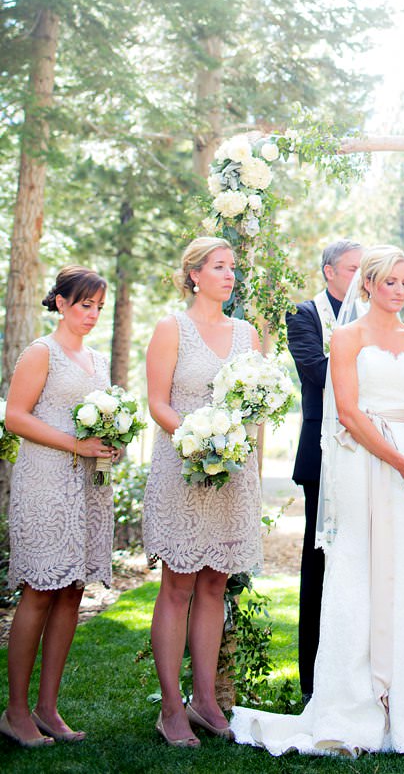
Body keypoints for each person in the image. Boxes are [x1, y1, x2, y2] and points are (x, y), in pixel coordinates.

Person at [231, 245, 404, 755]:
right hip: (366, 464)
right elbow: (348, 412)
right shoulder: (346, 337)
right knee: (361, 572)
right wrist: (403, 463)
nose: (399, 291)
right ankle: (356, 703)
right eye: (390, 282)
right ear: (367, 284)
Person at [143, 237, 263, 748]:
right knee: (179, 585)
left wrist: (236, 445)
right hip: (183, 466)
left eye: (232, 267)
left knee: (215, 583)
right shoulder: (172, 328)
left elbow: (257, 399)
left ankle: (205, 700)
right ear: (194, 275)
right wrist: (194, 439)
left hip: (235, 472)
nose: (229, 275)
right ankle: (170, 708)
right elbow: (157, 402)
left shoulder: (247, 333)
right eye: (219, 267)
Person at [2, 266, 115, 748]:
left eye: (98, 308)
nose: (91, 315)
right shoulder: (40, 352)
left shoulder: (96, 359)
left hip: (87, 485)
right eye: (84, 304)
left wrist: (112, 441)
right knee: (40, 590)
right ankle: (15, 710)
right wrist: (75, 444)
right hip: (46, 483)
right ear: (62, 302)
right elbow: (14, 416)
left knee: (72, 590)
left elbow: (105, 417)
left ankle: (48, 707)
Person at [286, 238, 362, 701]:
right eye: (353, 268)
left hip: (368, 452)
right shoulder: (304, 314)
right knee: (318, 565)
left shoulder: (372, 316)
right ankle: (314, 681)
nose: (361, 277)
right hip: (321, 453)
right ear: (329, 271)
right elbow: (315, 370)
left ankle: (356, 674)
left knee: (360, 563)